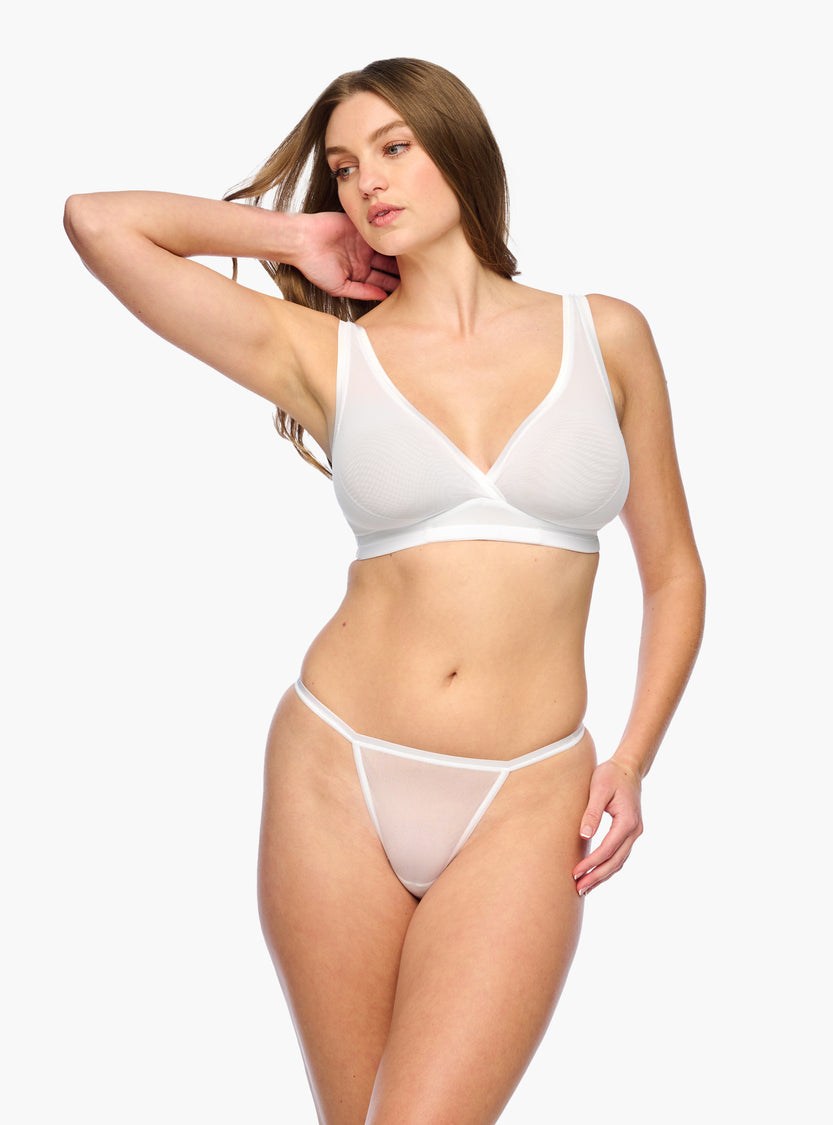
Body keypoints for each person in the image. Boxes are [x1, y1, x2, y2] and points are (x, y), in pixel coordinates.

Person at [64, 57, 705, 1125]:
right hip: (338, 772)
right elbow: (97, 223)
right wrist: (292, 237)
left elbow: (674, 570)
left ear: (459, 145)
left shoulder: (607, 335)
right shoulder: (325, 354)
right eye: (345, 166)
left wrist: (633, 760)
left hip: (529, 792)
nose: (368, 181)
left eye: (395, 147)